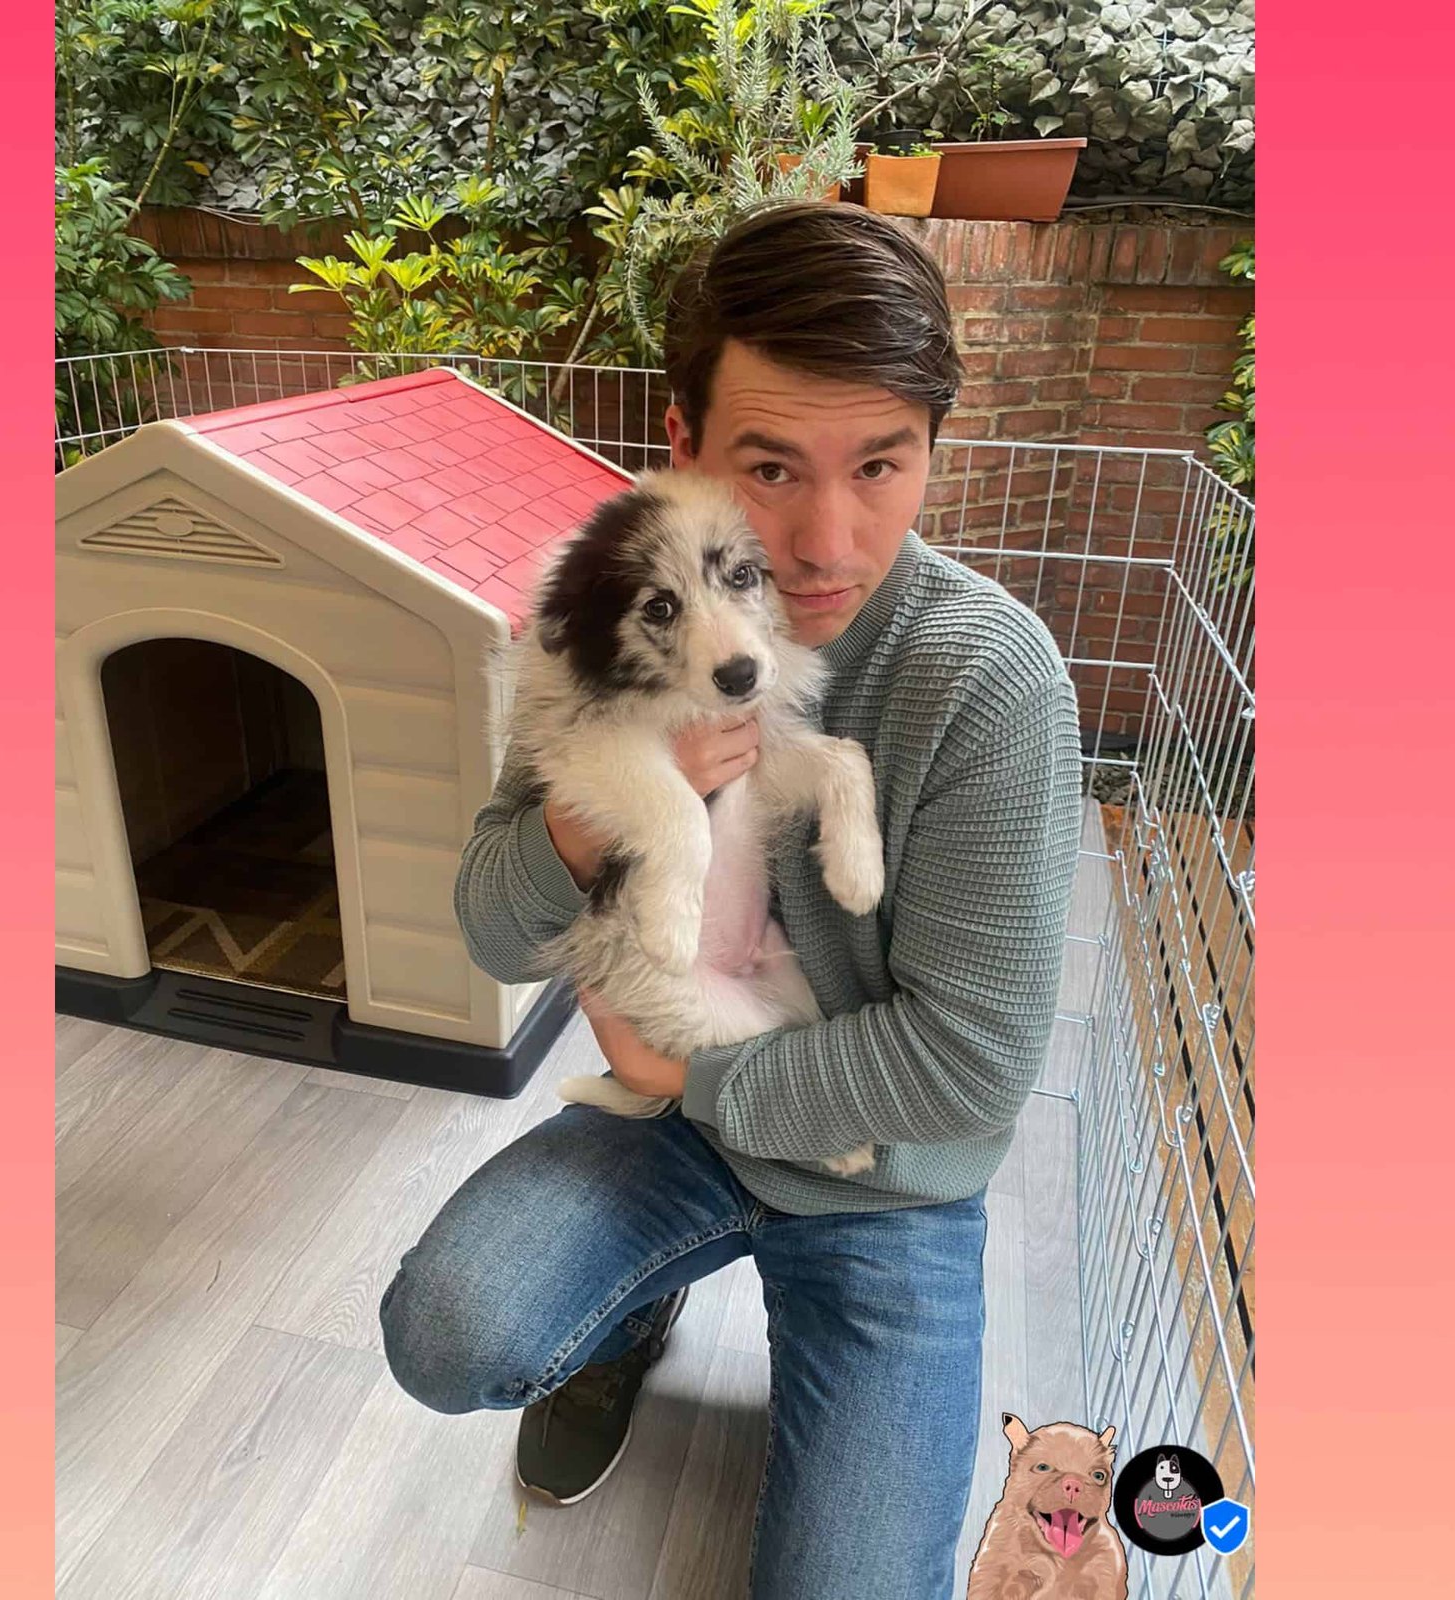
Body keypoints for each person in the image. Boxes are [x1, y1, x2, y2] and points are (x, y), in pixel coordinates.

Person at [379, 199, 1084, 1600]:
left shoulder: (989, 679)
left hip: (882, 1178)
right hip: (671, 1125)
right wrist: (588, 819)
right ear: (684, 447)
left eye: (881, 464)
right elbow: (491, 931)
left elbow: (972, 1062)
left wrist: (684, 1077)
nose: (827, 541)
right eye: (770, 468)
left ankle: (676, 1295)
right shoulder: (603, 616)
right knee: (451, 1330)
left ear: (932, 448)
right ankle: (626, 1311)